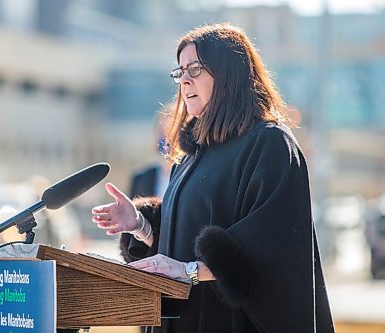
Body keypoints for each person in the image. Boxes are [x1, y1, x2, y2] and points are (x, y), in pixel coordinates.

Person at [92, 23, 334, 332]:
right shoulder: (191, 153)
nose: (185, 81)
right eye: (180, 72)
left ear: (229, 75)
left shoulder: (269, 144)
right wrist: (141, 224)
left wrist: (190, 270)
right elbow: (181, 243)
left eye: (196, 69)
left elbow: (271, 247)